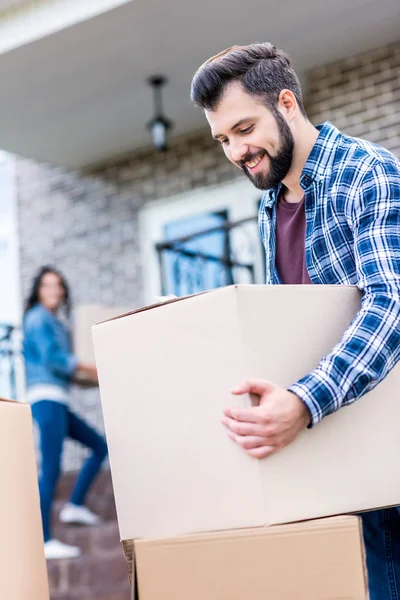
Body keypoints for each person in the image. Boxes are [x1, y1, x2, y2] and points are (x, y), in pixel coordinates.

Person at [191, 43, 400, 600]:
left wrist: (305, 400)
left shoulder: (367, 173)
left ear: (286, 102)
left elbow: (391, 304)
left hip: (383, 458)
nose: (236, 151)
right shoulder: (271, 202)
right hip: (324, 457)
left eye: (243, 128)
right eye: (222, 140)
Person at [23, 266, 108, 560]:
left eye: (58, 286)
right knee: (51, 469)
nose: (54, 291)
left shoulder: (55, 322)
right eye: (47, 286)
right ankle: (43, 540)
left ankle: (74, 505)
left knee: (99, 445)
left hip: (58, 399)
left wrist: (89, 375)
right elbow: (55, 360)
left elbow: (64, 367)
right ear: (38, 290)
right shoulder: (37, 318)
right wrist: (89, 367)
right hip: (46, 399)